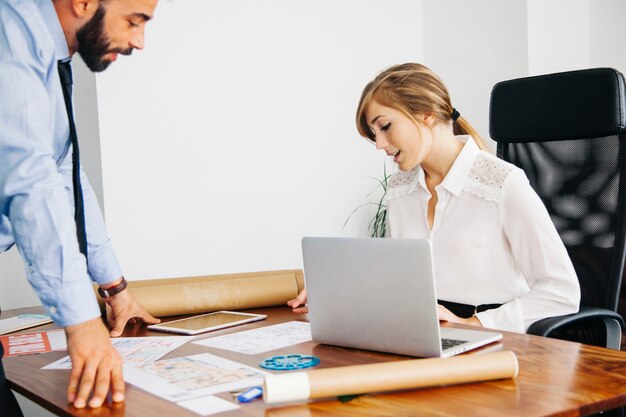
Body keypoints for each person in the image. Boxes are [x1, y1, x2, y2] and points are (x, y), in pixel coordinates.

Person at [288, 63, 580, 334]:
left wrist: (475, 323)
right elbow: (396, 279)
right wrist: (334, 292)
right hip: (423, 335)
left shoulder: (502, 184)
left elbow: (561, 292)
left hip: (495, 342)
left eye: (385, 126)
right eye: (373, 134)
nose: (379, 144)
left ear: (425, 112)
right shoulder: (400, 189)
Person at [0, 0, 161, 413]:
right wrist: (82, 321)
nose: (139, 41)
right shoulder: (10, 35)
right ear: (85, 2)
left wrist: (114, 288)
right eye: (134, 20)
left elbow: (64, 174)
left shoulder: (48, 58)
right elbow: (30, 181)